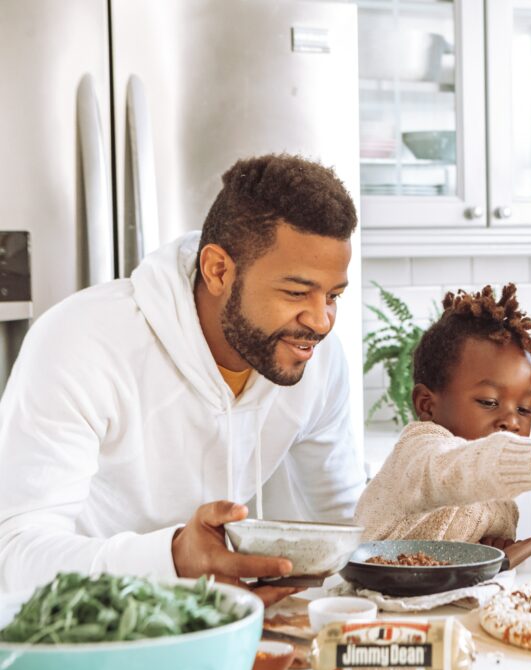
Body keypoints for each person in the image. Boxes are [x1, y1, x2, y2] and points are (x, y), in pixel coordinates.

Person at [0, 154, 364, 604]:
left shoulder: (313, 360)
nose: (321, 321)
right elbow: (15, 557)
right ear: (218, 270)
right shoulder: (80, 342)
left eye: (333, 295)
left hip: (223, 633)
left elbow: (345, 524)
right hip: (83, 640)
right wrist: (171, 557)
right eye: (295, 292)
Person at [355, 284, 531, 550]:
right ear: (427, 405)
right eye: (489, 402)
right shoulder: (420, 452)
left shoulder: (500, 497)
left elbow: (466, 554)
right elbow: (458, 470)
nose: (512, 421)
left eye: (524, 409)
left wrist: (493, 549)